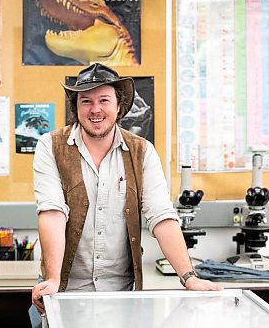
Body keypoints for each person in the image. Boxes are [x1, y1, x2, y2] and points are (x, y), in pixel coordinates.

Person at [30, 63, 221, 319]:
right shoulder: (51, 146)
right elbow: (52, 211)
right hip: (64, 293)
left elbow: (162, 216)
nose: (95, 109)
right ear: (76, 107)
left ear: (119, 106)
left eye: (104, 100)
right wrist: (53, 279)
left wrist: (189, 277)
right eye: (86, 101)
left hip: (121, 296)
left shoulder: (142, 151)